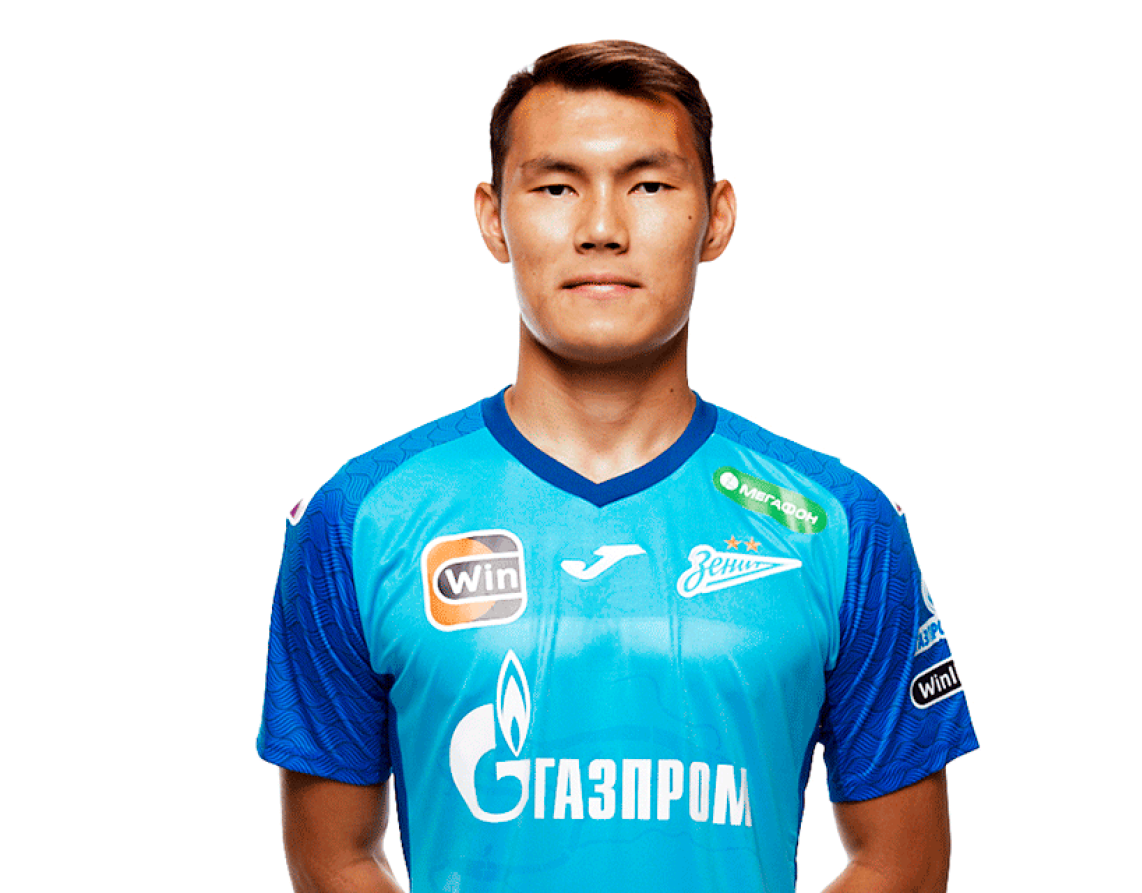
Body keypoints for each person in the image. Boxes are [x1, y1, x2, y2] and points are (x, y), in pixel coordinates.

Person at [258, 39, 978, 893]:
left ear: (716, 218)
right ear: (494, 218)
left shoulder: (842, 526)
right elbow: (334, 855)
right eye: (556, 187)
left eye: (649, 186)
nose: (601, 228)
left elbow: (902, 863)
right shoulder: (360, 518)